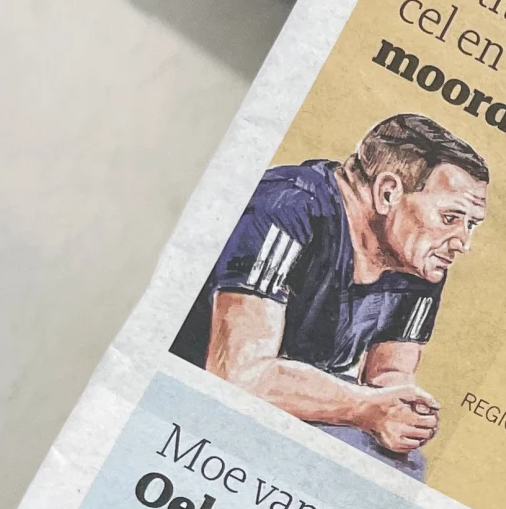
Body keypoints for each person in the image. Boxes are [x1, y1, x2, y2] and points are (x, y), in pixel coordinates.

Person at [173, 113, 489, 477]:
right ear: (388, 192)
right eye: (451, 218)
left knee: (403, 465)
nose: (463, 243)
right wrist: (365, 407)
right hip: (189, 404)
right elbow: (238, 374)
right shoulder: (288, 204)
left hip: (303, 414)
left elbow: (389, 373)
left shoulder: (420, 258)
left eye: (471, 225)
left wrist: (405, 411)